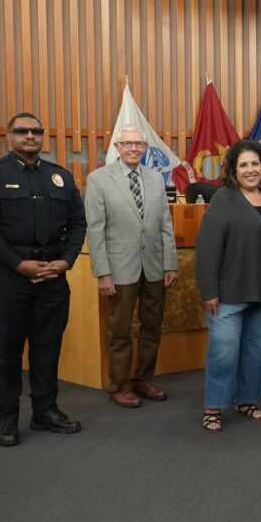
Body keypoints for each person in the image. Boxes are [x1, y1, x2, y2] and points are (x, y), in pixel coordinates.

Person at [0, 112, 86, 446]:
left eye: (36, 131)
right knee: (6, 351)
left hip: (52, 275)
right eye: (23, 131)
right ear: (9, 136)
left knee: (47, 348)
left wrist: (65, 261)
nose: (30, 136)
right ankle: (6, 417)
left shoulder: (59, 177)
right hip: (7, 278)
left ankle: (45, 411)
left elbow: (78, 223)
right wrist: (19, 265)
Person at [85, 126, 179, 408]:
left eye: (139, 144)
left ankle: (143, 379)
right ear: (117, 145)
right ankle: (119, 384)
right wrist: (103, 272)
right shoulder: (99, 179)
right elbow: (96, 229)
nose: (134, 148)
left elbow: (165, 225)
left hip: (153, 266)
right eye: (128, 144)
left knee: (152, 326)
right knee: (120, 330)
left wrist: (170, 263)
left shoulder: (154, 179)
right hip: (119, 268)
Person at [195, 140, 261, 433]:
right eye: (243, 164)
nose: (250, 170)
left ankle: (247, 400)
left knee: (257, 353)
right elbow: (207, 248)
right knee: (224, 353)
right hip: (230, 294)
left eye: (255, 163)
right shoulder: (224, 198)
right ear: (233, 170)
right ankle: (214, 406)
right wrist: (209, 291)